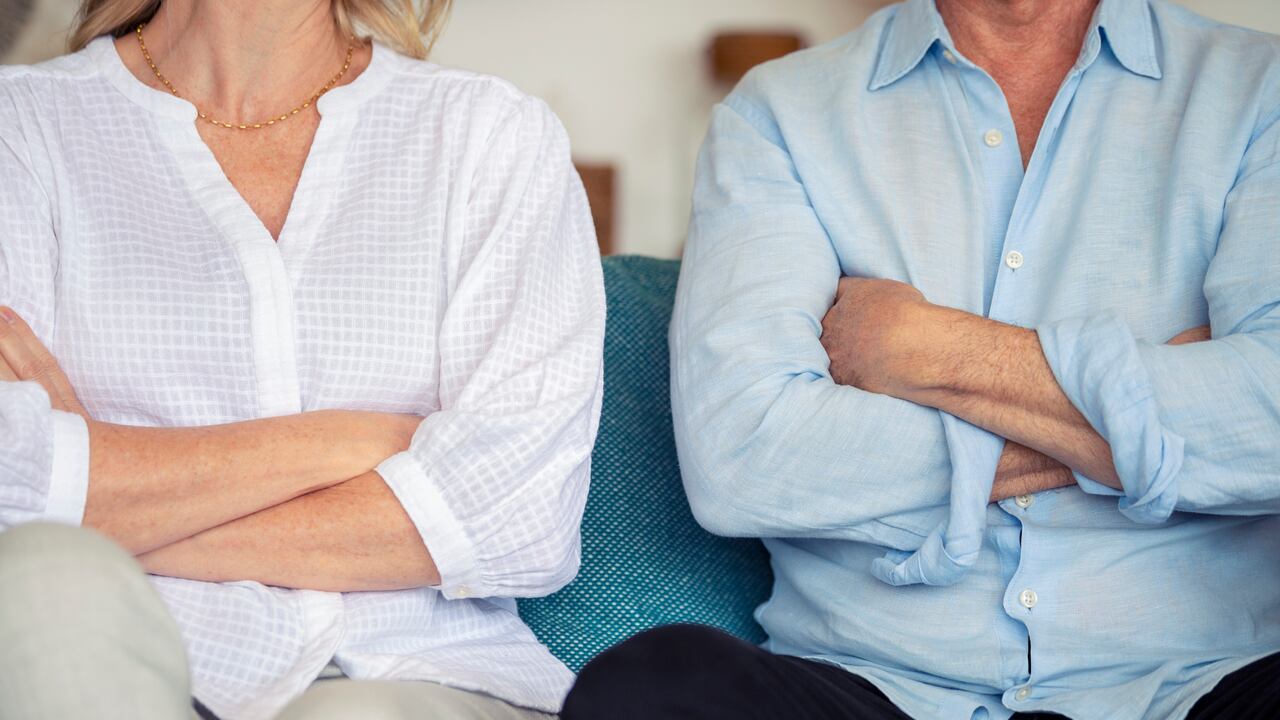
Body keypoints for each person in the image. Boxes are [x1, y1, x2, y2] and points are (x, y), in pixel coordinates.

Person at [562, 0, 1280, 718]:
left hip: (1203, 684)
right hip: (874, 685)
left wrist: (921, 349)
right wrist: (1153, 406)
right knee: (649, 689)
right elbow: (743, 456)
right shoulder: (779, 114)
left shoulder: (1260, 89)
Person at [0, 0, 605, 718]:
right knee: (42, 575)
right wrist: (352, 442)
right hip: (107, 663)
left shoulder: (490, 135)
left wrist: (104, 495)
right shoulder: (21, 128)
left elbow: (519, 519)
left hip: (420, 676)